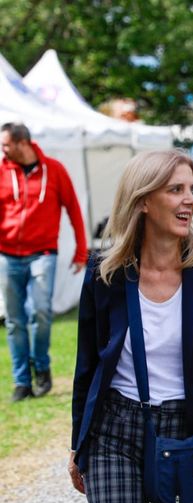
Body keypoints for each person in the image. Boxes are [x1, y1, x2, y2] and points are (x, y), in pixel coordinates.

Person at [68, 150, 193, 503]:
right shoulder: (105, 273)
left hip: (188, 431)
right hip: (113, 433)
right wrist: (78, 441)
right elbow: (87, 365)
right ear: (144, 202)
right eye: (175, 189)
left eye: (191, 188)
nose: (190, 200)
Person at [1, 122, 88, 402]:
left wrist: (81, 250)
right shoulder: (2, 171)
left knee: (40, 312)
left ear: (22, 143)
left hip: (43, 254)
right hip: (7, 255)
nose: (2, 150)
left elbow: (73, 209)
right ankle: (21, 381)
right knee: (14, 321)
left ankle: (41, 364)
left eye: (6, 145)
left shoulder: (54, 170)